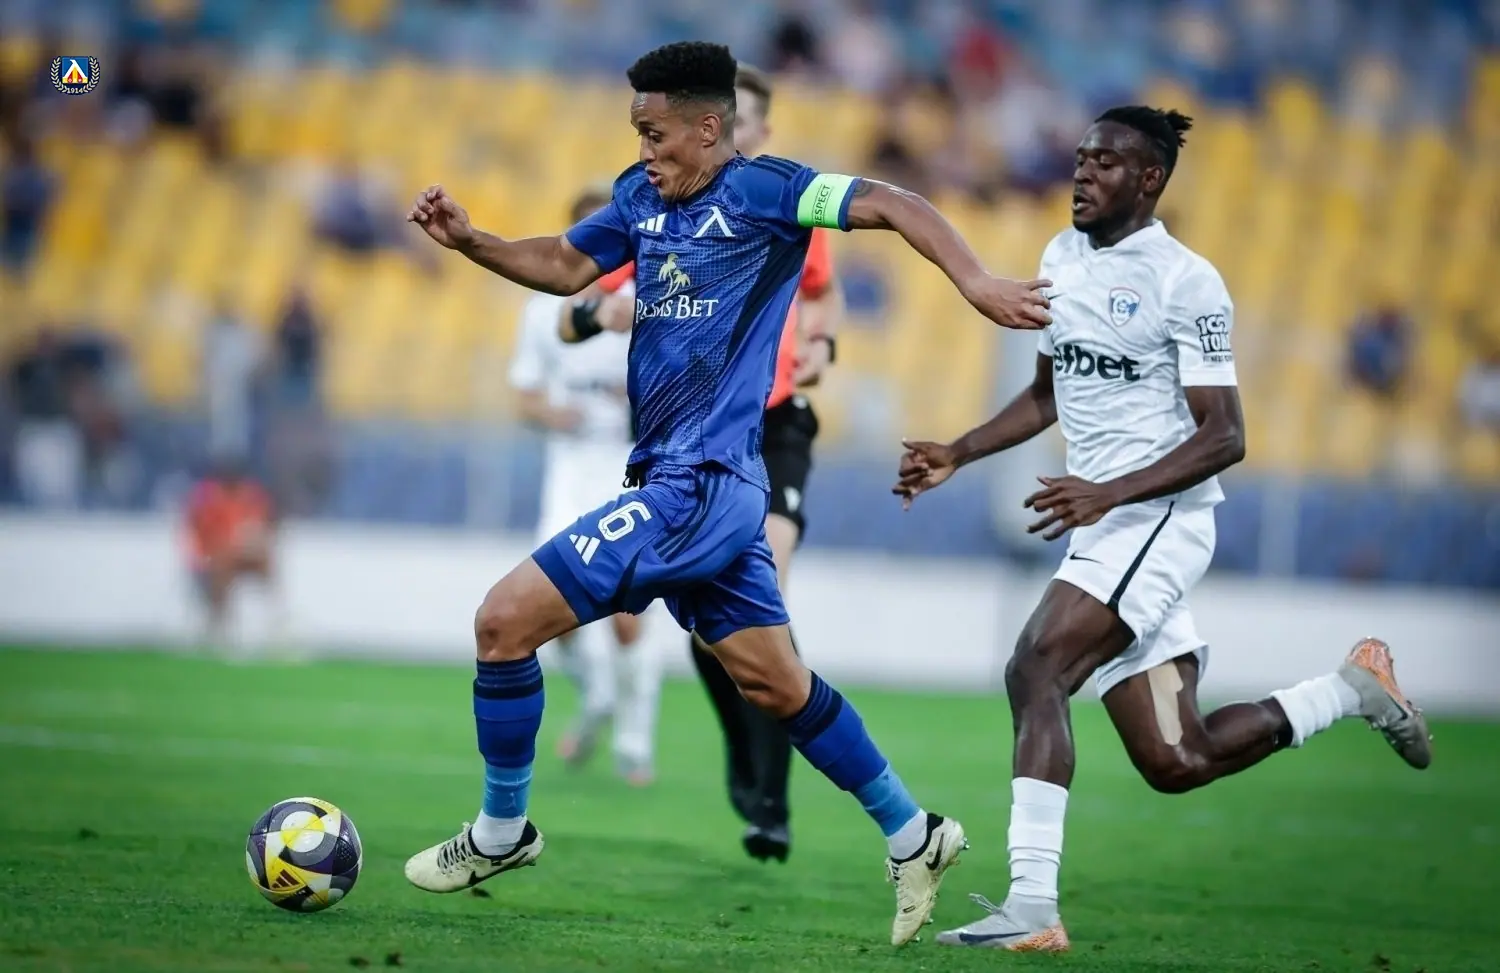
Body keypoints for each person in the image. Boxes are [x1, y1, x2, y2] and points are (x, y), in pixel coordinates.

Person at [401, 41, 1052, 945]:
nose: (643, 152)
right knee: (776, 683)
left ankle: (501, 832)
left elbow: (891, 202)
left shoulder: (768, 192)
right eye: (637, 133)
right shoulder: (639, 201)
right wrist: (472, 240)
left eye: (656, 133)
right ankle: (916, 833)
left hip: (697, 487)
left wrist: (976, 280)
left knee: (501, 621)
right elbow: (563, 264)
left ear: (710, 129)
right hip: (701, 490)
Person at [892, 106, 1434, 952]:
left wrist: (1108, 492)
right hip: (1106, 523)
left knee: (1036, 666)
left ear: (1149, 179)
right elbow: (1047, 393)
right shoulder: (1062, 256)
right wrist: (958, 451)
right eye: (1080, 157)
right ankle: (1350, 689)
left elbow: (1226, 435)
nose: (1082, 172)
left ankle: (1032, 906)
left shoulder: (1188, 281)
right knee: (1178, 758)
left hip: (1157, 517)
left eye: (1105, 162)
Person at [582, 63, 842, 862]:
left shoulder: (782, 200)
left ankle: (773, 800)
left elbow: (821, 291)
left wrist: (825, 340)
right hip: (688, 439)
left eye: (753, 122)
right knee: (714, 635)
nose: (744, 134)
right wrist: (605, 310)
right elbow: (595, 290)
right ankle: (745, 750)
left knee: (770, 604)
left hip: (774, 424)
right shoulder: (667, 205)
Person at [510, 185, 660, 786]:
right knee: (550, 609)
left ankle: (634, 740)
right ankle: (597, 694)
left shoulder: (648, 300)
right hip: (569, 471)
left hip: (627, 470)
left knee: (627, 610)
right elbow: (525, 397)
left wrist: (639, 403)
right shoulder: (541, 312)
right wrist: (556, 414)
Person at [184, 459, 278, 649]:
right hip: (212, 556)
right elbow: (200, 531)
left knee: (265, 559)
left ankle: (275, 617)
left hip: (241, 553)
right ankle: (221, 624)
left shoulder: (251, 495)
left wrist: (251, 540)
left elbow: (262, 525)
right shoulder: (207, 496)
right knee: (221, 564)